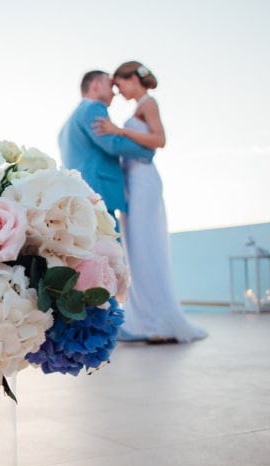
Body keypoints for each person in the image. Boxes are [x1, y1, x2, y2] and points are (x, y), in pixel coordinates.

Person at [93, 61, 207, 343]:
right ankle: (146, 319)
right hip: (133, 183)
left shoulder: (149, 102)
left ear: (133, 78)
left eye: (119, 84)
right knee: (138, 251)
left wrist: (119, 131)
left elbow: (159, 139)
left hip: (143, 181)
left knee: (146, 248)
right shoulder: (139, 107)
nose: (118, 92)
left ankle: (159, 321)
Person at [58, 70, 155, 220]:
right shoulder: (93, 108)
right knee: (111, 241)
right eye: (110, 85)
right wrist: (147, 150)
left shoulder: (68, 124)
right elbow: (113, 144)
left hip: (80, 196)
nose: (114, 93)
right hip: (99, 193)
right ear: (96, 85)